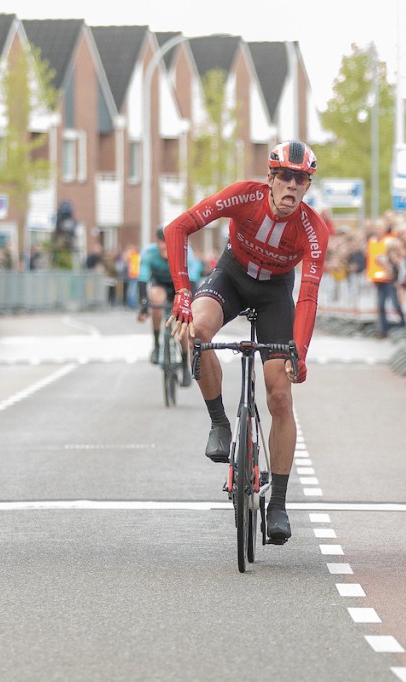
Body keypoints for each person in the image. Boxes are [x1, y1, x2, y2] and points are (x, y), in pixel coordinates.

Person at [165, 139, 329, 545]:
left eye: (302, 180)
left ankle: (279, 506)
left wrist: (300, 352)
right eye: (286, 177)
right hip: (232, 277)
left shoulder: (313, 228)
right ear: (271, 178)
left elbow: (308, 294)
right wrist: (183, 291)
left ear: (307, 186)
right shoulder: (244, 196)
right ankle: (219, 422)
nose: (292, 186)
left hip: (275, 294)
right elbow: (178, 227)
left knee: (279, 395)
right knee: (196, 333)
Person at [137, 227, 198, 386]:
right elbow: (143, 278)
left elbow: (193, 277)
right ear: (157, 242)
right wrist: (144, 306)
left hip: (180, 285)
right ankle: (157, 345)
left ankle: (185, 365)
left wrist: (189, 306)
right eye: (162, 243)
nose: (165, 246)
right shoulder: (149, 253)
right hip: (160, 285)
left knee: (181, 323)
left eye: (168, 242)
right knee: (156, 299)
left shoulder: (185, 252)